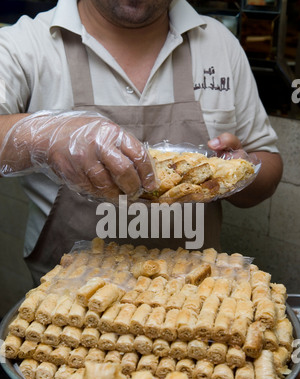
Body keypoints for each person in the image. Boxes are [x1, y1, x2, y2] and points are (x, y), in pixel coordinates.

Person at [0, 0, 283, 285]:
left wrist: (236, 174)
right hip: (71, 299)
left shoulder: (218, 44)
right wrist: (47, 135)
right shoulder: (26, 44)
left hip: (192, 297)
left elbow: (267, 163)